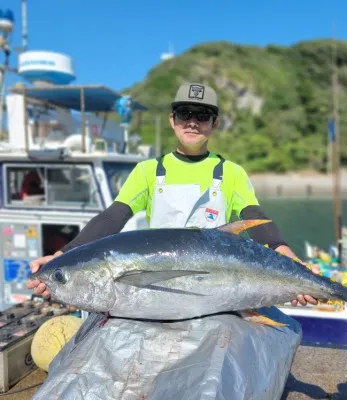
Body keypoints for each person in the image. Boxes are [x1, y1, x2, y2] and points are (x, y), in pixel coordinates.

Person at [27, 82, 319, 307]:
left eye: (202, 115)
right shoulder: (148, 171)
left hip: (215, 286)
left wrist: (289, 260)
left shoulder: (231, 172)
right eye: (184, 114)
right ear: (172, 120)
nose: (192, 122)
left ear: (214, 123)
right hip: (161, 287)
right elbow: (112, 218)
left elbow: (255, 219)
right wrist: (61, 256)